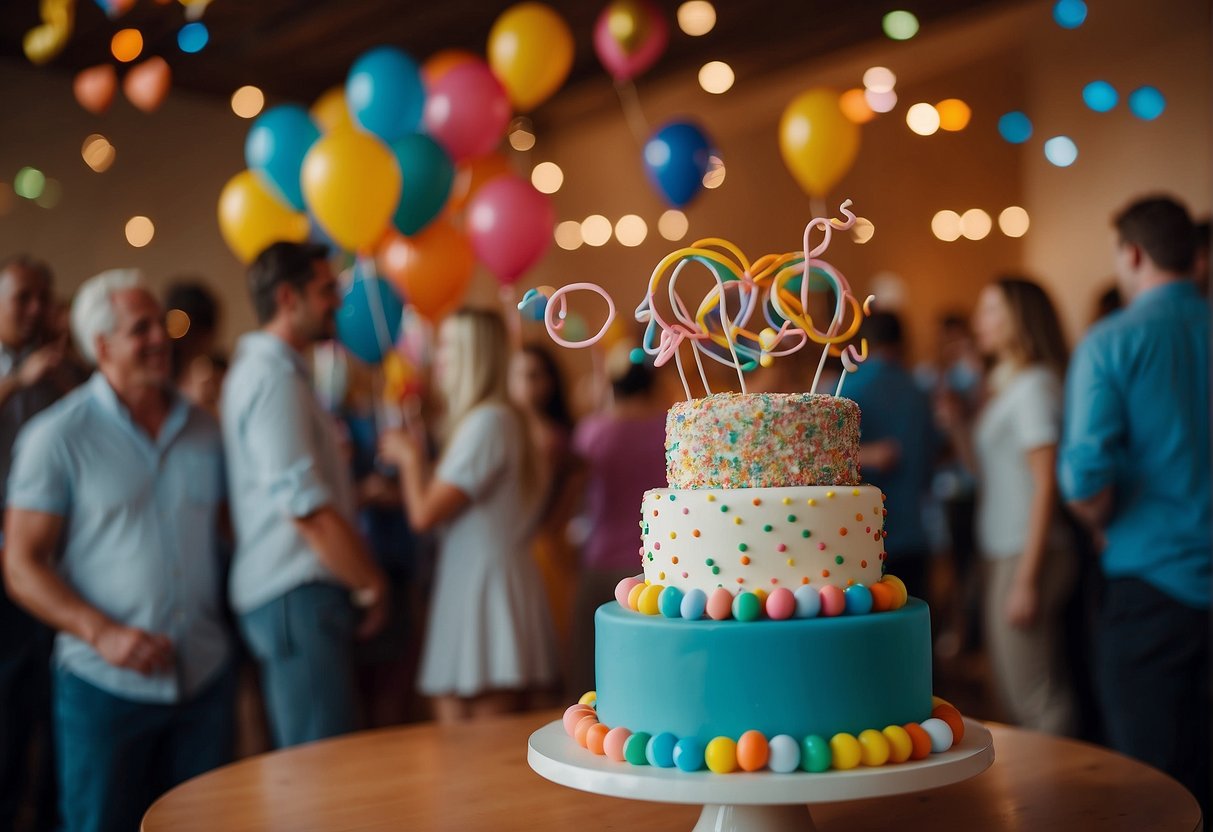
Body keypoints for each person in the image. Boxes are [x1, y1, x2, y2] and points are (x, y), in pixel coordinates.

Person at [2, 269, 233, 832]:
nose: (161, 337)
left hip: (203, 679)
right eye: (142, 328)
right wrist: (102, 632)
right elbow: (21, 564)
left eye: (161, 324)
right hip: (104, 691)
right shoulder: (56, 438)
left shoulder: (205, 429)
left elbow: (227, 531)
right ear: (101, 345)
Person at [1058, 196, 1209, 813]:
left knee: (1152, 783)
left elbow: (1085, 480)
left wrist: (1098, 523)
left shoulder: (1111, 341)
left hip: (1151, 584)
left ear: (1134, 253)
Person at [222, 242, 389, 748]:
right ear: (288, 297)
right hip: (295, 590)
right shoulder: (272, 379)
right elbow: (307, 511)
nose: (337, 302)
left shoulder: (281, 374)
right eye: (326, 291)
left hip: (298, 591)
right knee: (321, 763)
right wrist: (371, 583)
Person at [378, 308, 556, 723]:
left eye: (449, 347)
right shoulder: (495, 419)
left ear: (476, 356)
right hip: (475, 578)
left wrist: (408, 458)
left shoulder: (487, 423)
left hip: (483, 586)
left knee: (483, 754)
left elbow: (423, 514)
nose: (438, 357)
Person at [941, 277, 1077, 735]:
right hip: (1006, 547)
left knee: (1035, 693)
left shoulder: (1036, 385)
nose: (980, 321)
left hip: (1029, 550)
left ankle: (1063, 797)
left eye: (992, 309)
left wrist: (1026, 578)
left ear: (1020, 318)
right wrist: (959, 425)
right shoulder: (1012, 383)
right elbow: (986, 473)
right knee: (1013, 689)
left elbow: (1045, 485)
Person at [0, 255, 67, 832]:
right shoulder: (17, 374)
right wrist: (16, 382)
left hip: (52, 564)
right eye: (23, 297)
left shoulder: (55, 370)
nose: (35, 310)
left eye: (42, 298)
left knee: (48, 705)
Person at [566, 350, 667, 697]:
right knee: (652, 664)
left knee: (589, 669)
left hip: (600, 560)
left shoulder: (593, 431)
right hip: (655, 565)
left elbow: (574, 493)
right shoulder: (668, 427)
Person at [842, 311, 936, 602]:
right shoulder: (919, 392)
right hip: (915, 532)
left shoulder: (848, 391)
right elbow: (931, 463)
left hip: (863, 537)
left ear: (861, 343)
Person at [509, 343, 577, 667]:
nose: (527, 385)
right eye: (521, 376)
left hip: (544, 547)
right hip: (524, 547)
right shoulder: (510, 430)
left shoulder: (550, 438)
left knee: (549, 643)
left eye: (535, 376)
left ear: (550, 383)